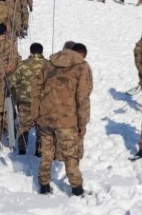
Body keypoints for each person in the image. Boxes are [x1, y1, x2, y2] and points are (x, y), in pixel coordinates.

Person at [33, 43, 92, 196]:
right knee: (70, 155)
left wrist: (35, 114)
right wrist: (82, 122)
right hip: (66, 120)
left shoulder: (48, 63)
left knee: (46, 153)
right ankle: (77, 189)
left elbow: (35, 88)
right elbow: (83, 98)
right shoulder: (81, 67)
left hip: (45, 117)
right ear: (82, 55)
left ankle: (44, 185)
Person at [10, 42, 48, 155]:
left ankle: (22, 150)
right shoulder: (49, 65)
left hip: (25, 101)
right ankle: (39, 151)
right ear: (42, 52)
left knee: (24, 126)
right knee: (42, 127)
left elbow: (12, 82)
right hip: (43, 102)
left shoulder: (22, 65)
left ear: (31, 51)